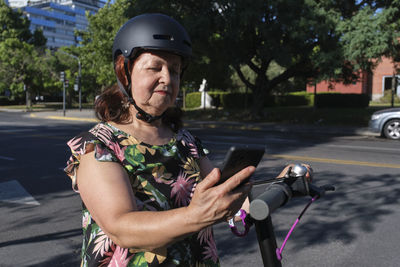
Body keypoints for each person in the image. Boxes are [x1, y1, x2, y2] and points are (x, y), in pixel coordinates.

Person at [64, 13, 254, 267]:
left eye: (174, 71)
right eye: (155, 67)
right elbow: (122, 228)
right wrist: (195, 215)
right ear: (125, 71)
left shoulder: (187, 143)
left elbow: (222, 198)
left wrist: (281, 183)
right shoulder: (100, 145)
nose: (167, 78)